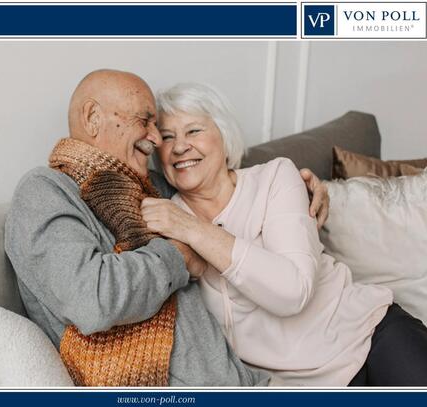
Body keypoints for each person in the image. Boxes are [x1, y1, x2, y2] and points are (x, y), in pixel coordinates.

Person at [5, 70, 329, 387]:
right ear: (92, 117)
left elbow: (220, 180)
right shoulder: (45, 192)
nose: (157, 139)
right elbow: (93, 299)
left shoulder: (152, 185)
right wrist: (180, 257)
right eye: (145, 121)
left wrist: (310, 188)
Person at [140, 82, 427, 386]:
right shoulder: (164, 215)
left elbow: (293, 292)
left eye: (193, 131)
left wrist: (194, 230)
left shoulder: (274, 177)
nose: (180, 146)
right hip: (303, 386)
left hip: (369, 335)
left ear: (224, 137)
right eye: (167, 137)